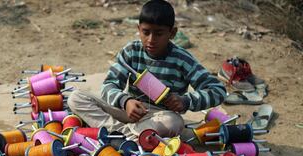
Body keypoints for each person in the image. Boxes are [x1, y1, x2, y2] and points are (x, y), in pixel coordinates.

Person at [68, 0, 226, 141]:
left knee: (174, 123)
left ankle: (119, 135)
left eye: (159, 34)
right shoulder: (131, 51)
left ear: (172, 33)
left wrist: (185, 101)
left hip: (158, 117)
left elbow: (218, 90)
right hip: (129, 110)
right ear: (138, 29)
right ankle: (128, 136)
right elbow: (109, 85)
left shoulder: (182, 60)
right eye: (146, 32)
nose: (151, 40)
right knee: (76, 97)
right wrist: (126, 101)